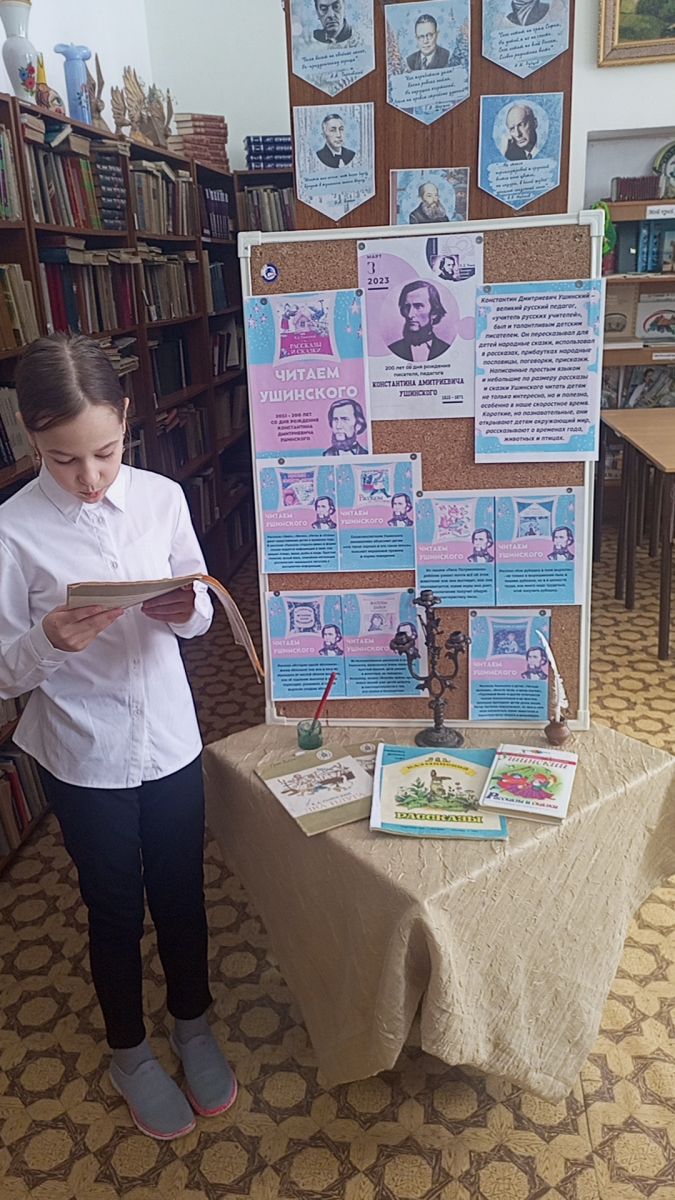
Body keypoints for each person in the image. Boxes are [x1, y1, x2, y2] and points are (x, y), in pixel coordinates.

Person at [0, 334, 236, 1143]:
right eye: (63, 459)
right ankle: (129, 1052)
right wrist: (46, 642)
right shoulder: (13, 530)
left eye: (104, 452)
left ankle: (192, 1024)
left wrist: (186, 610)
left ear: (126, 419)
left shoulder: (162, 498)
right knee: (112, 907)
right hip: (83, 750)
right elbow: (2, 670)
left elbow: (199, 608)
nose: (90, 476)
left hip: (169, 737)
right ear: (31, 436)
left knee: (181, 893)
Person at [388, 281, 450, 362]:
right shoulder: (393, 350)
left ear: (434, 312)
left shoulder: (446, 350)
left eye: (418, 306)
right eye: (407, 307)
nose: (410, 315)